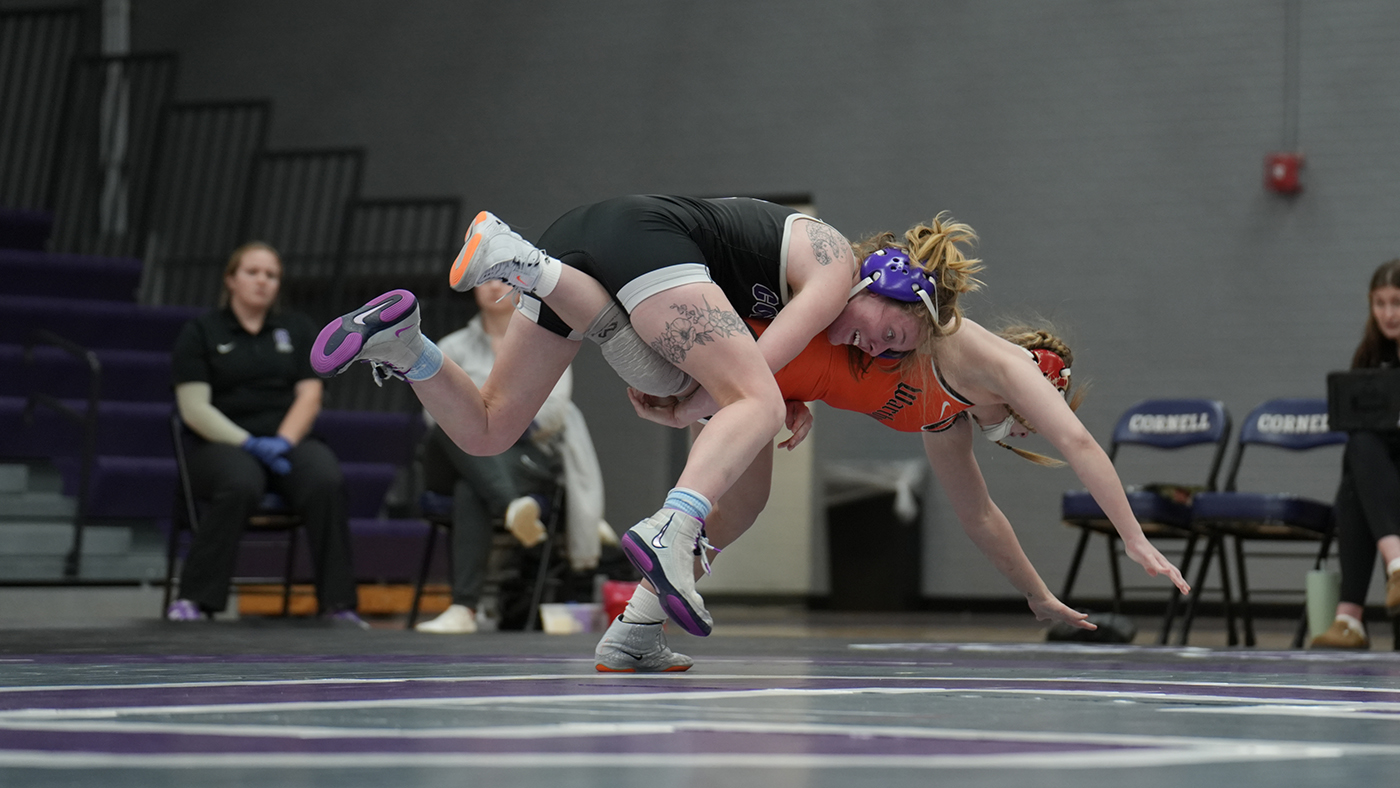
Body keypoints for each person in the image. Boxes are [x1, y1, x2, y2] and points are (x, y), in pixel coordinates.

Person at [310, 196, 983, 638]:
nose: (873, 351)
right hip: (641, 242)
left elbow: (756, 368)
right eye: (888, 336)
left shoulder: (834, 289)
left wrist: (753, 400)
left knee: (489, 431)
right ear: (882, 285)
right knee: (753, 402)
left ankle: (407, 344)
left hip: (595, 250)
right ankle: (671, 526)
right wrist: (692, 405)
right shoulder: (839, 268)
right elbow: (756, 369)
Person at [594, 303, 1190, 671]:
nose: (1009, 432)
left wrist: (1037, 596)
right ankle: (542, 273)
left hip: (767, 379)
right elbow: (1081, 444)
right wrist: (1133, 537)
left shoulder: (945, 416)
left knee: (741, 508)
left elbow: (979, 513)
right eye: (1021, 422)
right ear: (1030, 391)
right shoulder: (983, 355)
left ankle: (634, 632)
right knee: (605, 327)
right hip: (746, 345)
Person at [167, 242, 366, 628]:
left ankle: (339, 604)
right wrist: (248, 443)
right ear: (230, 279)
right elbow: (193, 409)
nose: (262, 281)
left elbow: (310, 395)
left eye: (271, 275)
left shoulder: (297, 329)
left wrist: (283, 443)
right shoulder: (201, 332)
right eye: (253, 272)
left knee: (325, 479)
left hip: (284, 440)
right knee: (240, 483)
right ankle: (195, 599)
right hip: (221, 443)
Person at [415, 279, 610, 634]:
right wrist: (479, 424)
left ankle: (464, 609)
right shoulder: (451, 346)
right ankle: (511, 505)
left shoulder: (547, 343)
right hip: (454, 450)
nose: (494, 287)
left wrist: (492, 423)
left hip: (523, 455)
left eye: (504, 279)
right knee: (450, 427)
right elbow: (433, 411)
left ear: (521, 287)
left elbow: (553, 412)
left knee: (470, 489)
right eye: (486, 279)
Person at [1311, 259, 1400, 649]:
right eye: (1379, 303)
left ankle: (1350, 616)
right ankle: (1396, 566)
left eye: (1397, 303)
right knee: (1358, 454)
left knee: (1359, 459)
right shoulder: (1370, 355)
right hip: (1384, 478)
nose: (1388, 314)